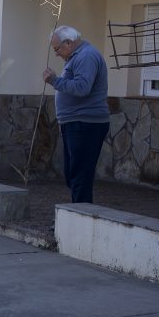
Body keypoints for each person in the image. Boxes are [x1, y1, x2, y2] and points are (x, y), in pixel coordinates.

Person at [42, 25, 110, 204]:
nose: (56, 53)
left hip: (85, 123)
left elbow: (82, 88)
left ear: (69, 42)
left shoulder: (86, 56)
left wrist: (54, 81)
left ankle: (80, 219)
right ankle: (75, 217)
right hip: (77, 123)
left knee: (80, 176)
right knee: (74, 174)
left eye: (57, 49)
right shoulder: (77, 57)